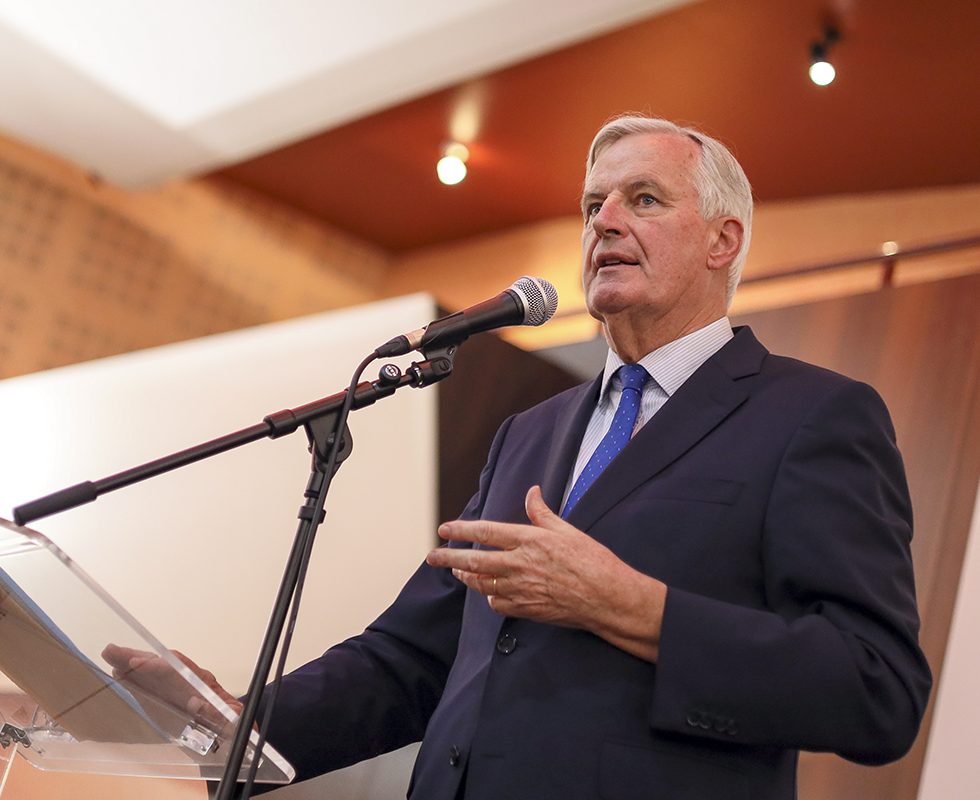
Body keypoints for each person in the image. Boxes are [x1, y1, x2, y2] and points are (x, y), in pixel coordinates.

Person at [110, 114, 932, 799]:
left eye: (643, 198)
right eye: (592, 205)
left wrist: (632, 605)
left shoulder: (811, 416)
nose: (605, 221)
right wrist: (236, 719)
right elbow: (413, 658)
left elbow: (874, 688)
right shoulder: (530, 432)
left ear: (724, 241)